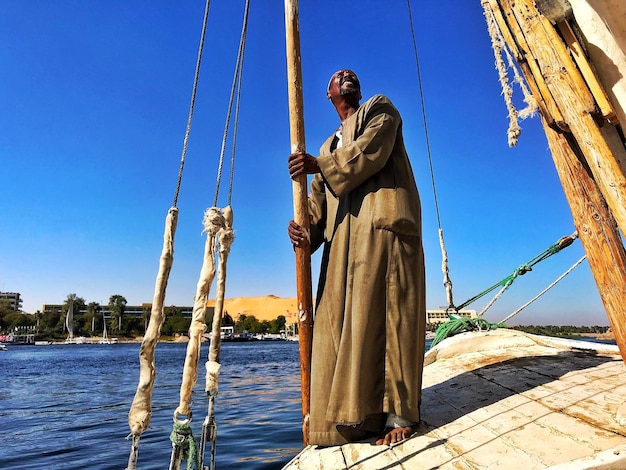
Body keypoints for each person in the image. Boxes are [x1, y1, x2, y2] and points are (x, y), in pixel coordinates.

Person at [287, 69, 426, 446]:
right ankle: (354, 420)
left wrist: (321, 166)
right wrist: (305, 233)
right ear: (329, 95)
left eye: (351, 76)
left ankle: (400, 414)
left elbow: (372, 147)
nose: (346, 76)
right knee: (347, 333)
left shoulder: (379, 109)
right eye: (337, 77)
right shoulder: (324, 150)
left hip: (384, 232)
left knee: (392, 319)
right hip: (344, 253)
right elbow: (317, 214)